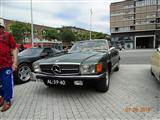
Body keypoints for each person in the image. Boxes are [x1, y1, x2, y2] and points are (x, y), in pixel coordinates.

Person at [0, 24, 18, 112]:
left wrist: (15, 62)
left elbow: (14, 48)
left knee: (6, 83)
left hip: (6, 65)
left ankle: (7, 101)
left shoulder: (7, 35)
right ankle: (2, 97)